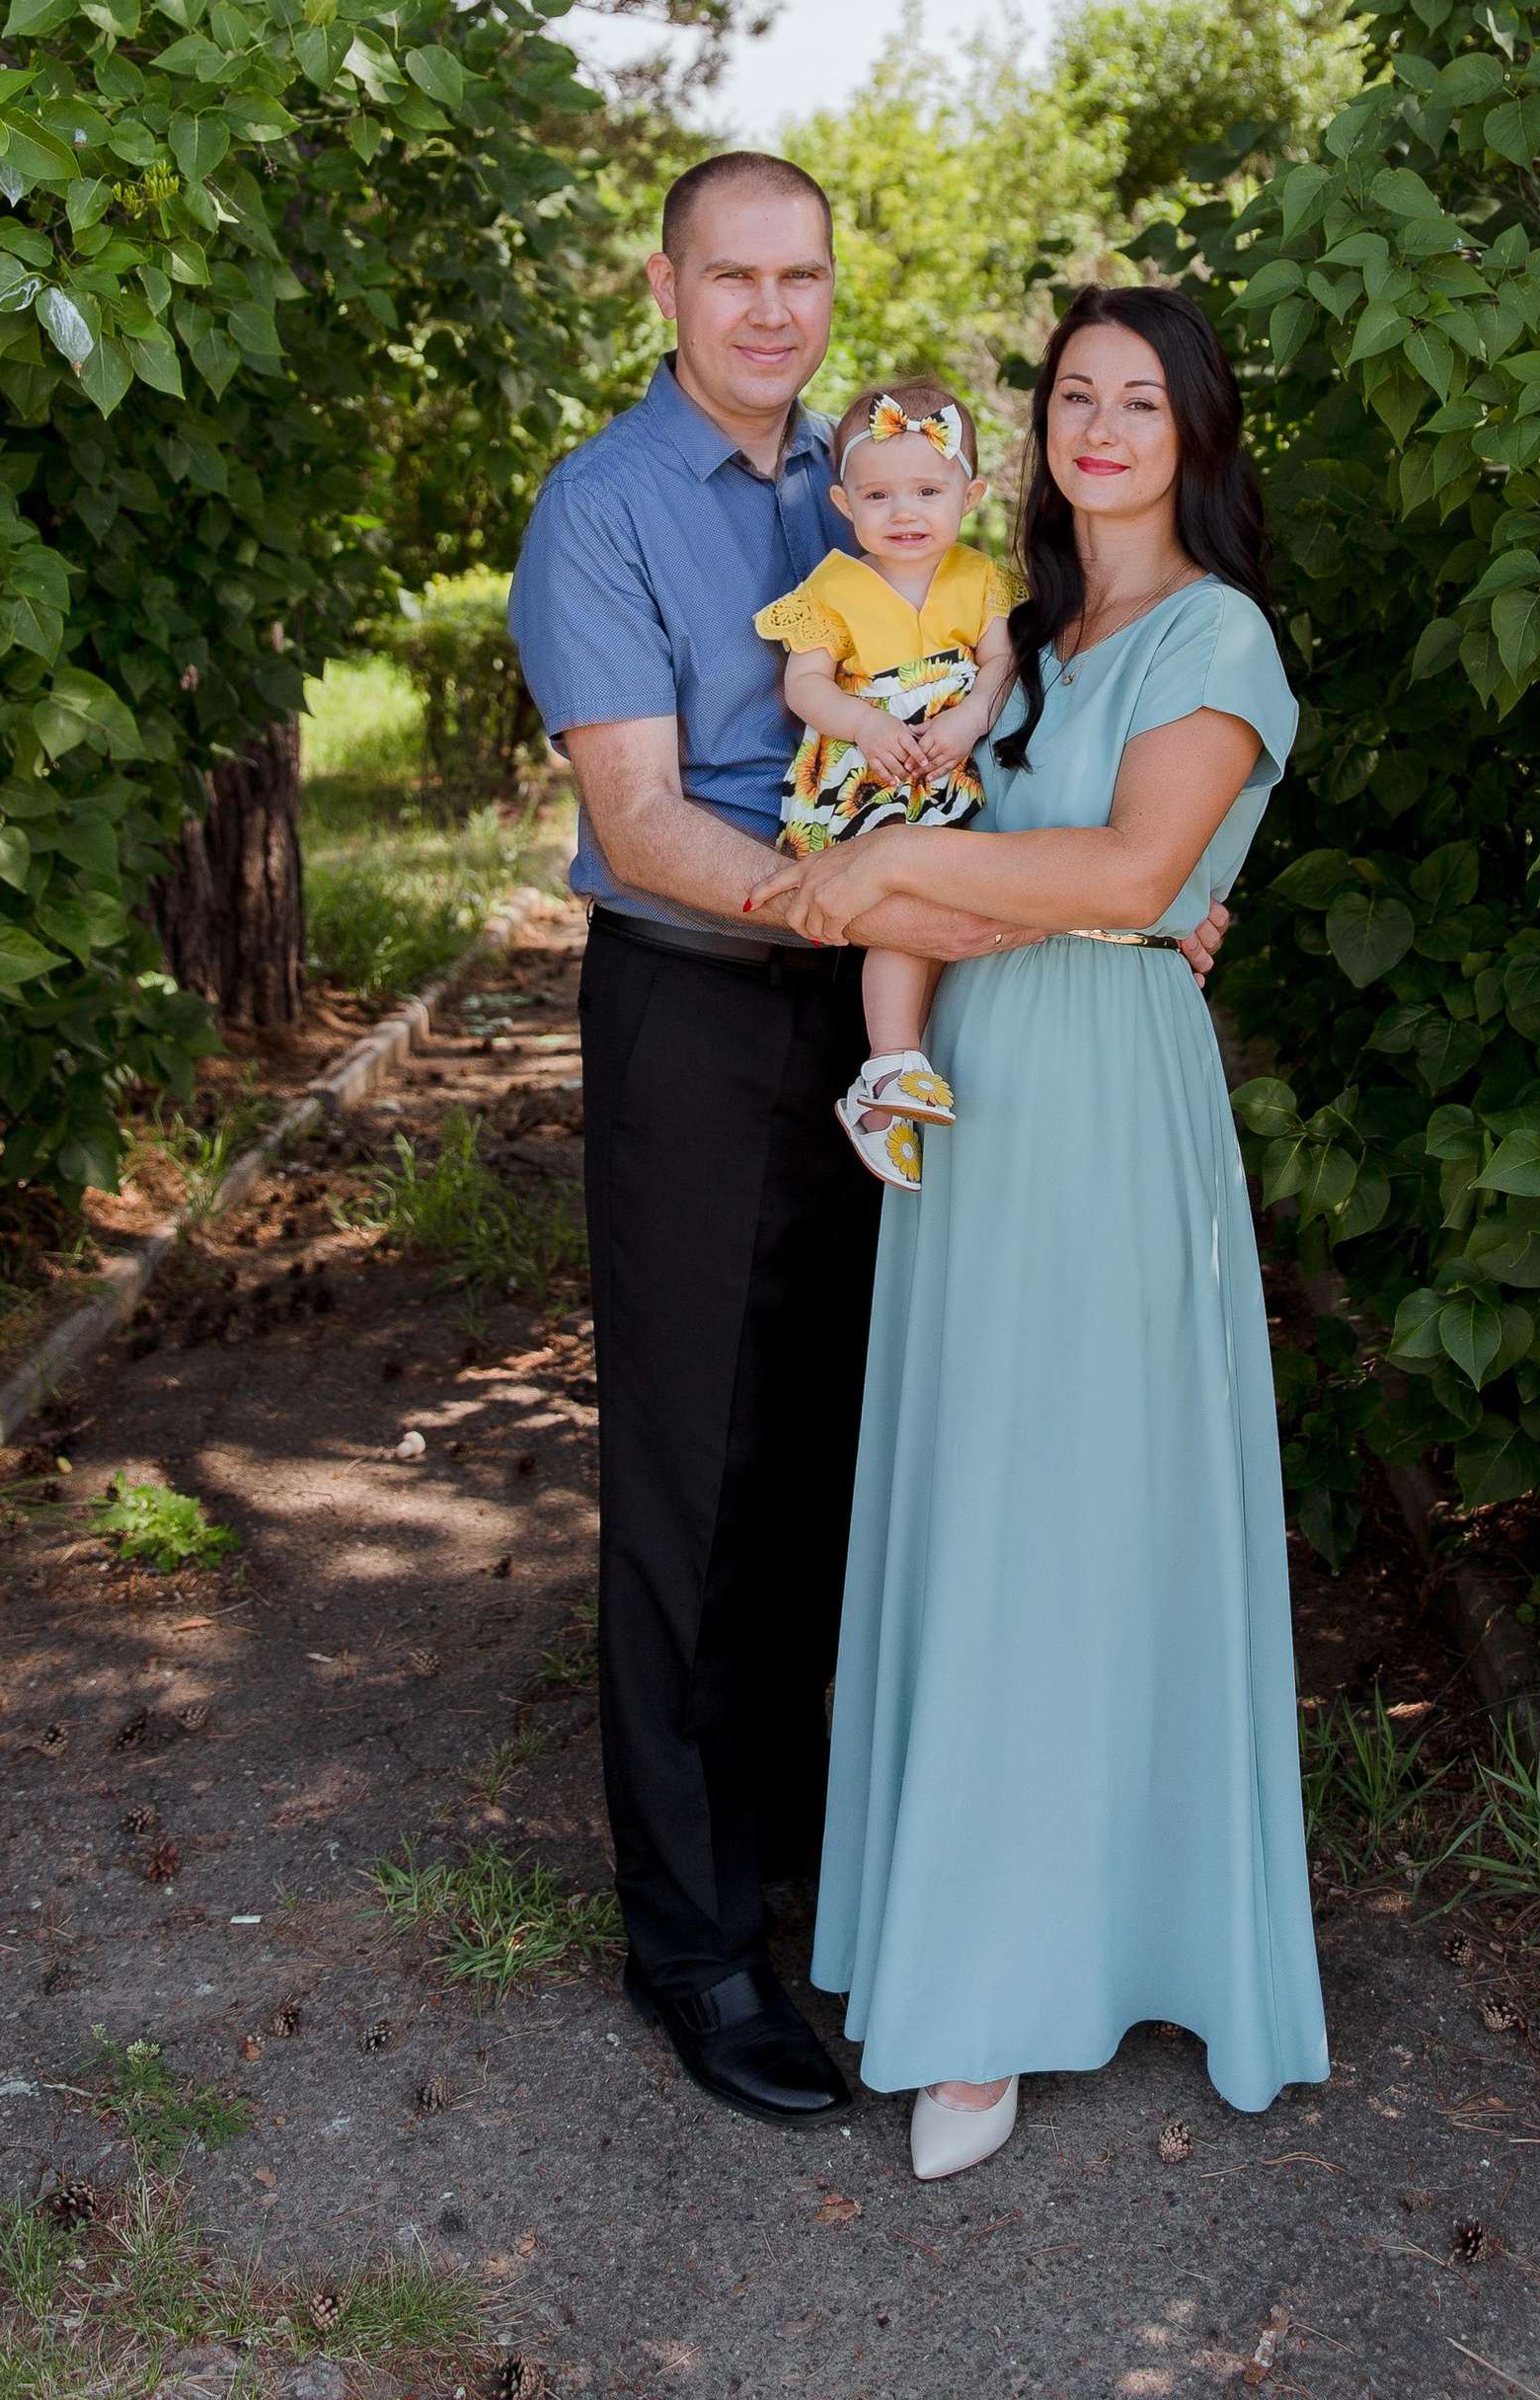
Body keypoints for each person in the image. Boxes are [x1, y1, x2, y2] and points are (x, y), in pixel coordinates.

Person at [505, 158, 1236, 2130]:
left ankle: (804, 1855)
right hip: (704, 1000)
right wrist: (875, 899)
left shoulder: (877, 475)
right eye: (733, 275)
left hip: (896, 997)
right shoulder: (603, 507)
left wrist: (1138, 895)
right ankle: (689, 1947)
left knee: (856, 1436)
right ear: (663, 285)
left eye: (802, 274)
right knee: (694, 1477)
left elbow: (1047, 713)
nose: (772, 309)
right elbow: (642, 818)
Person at [746, 283, 1329, 2180]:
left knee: (1085, 1518)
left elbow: (1137, 871)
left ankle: (1037, 1983)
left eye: (1141, 399)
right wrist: (968, 885)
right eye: (1076, 392)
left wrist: (919, 866)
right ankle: (967, 1949)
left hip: (1107, 1116)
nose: (1101, 426)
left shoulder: (1216, 633)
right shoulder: (1027, 638)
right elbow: (1021, 885)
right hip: (972, 1100)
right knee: (977, 1506)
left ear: (1197, 433)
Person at [754, 376, 1019, 1188]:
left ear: (970, 495)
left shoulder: (981, 579)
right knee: (906, 916)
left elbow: (1003, 665)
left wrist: (969, 719)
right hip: (872, 775)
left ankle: (901, 1085)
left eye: (928, 491)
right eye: (878, 495)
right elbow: (804, 684)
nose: (904, 512)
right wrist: (866, 726)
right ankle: (888, 1070)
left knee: (956, 925)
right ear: (844, 503)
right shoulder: (831, 588)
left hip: (951, 766)